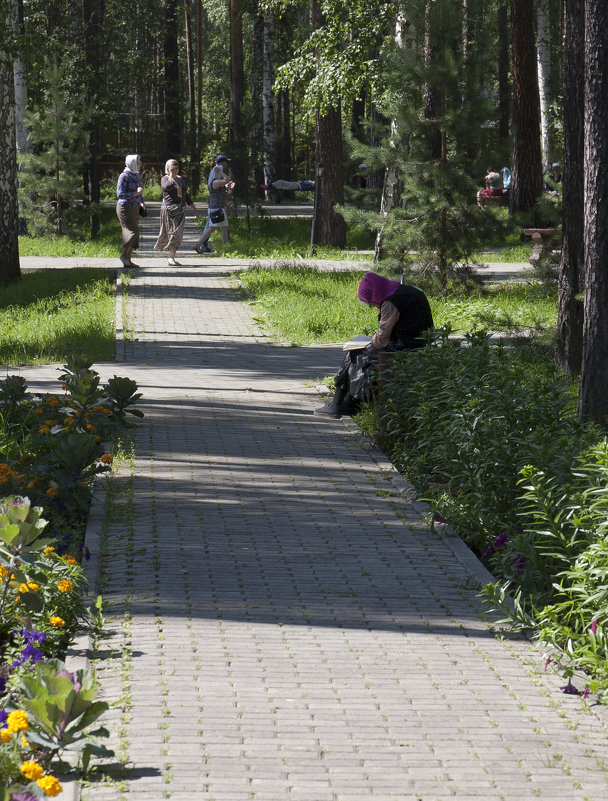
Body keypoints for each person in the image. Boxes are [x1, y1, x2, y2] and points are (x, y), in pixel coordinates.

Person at [314, 273, 434, 419]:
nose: (374, 305)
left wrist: (369, 342)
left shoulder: (391, 302)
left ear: (373, 294)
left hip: (404, 348)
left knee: (354, 354)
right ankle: (350, 403)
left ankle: (337, 405)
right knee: (359, 355)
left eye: (370, 302)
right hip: (418, 344)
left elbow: (382, 337)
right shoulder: (404, 291)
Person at [154, 159, 199, 266]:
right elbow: (167, 187)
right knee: (172, 232)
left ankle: (171, 256)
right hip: (169, 210)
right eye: (173, 168)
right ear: (168, 169)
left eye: (177, 168)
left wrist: (194, 209)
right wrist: (171, 176)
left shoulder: (181, 179)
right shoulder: (165, 179)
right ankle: (170, 257)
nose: (175, 170)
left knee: (178, 233)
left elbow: (185, 195)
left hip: (180, 209)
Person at [194, 155, 235, 254]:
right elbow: (227, 179)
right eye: (225, 162)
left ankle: (199, 245)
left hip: (219, 208)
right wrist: (220, 172)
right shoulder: (214, 182)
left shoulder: (217, 182)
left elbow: (224, 192)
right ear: (221, 163)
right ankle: (200, 245)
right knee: (215, 228)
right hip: (215, 208)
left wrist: (229, 188)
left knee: (217, 228)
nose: (227, 164)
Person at [116, 154, 145, 268]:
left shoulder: (136, 175)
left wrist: (141, 201)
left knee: (135, 234)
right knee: (132, 232)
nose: (140, 164)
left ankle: (128, 260)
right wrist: (135, 194)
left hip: (135, 207)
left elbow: (140, 190)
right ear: (132, 163)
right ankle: (123, 256)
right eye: (138, 162)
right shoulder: (124, 176)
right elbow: (120, 194)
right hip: (125, 208)